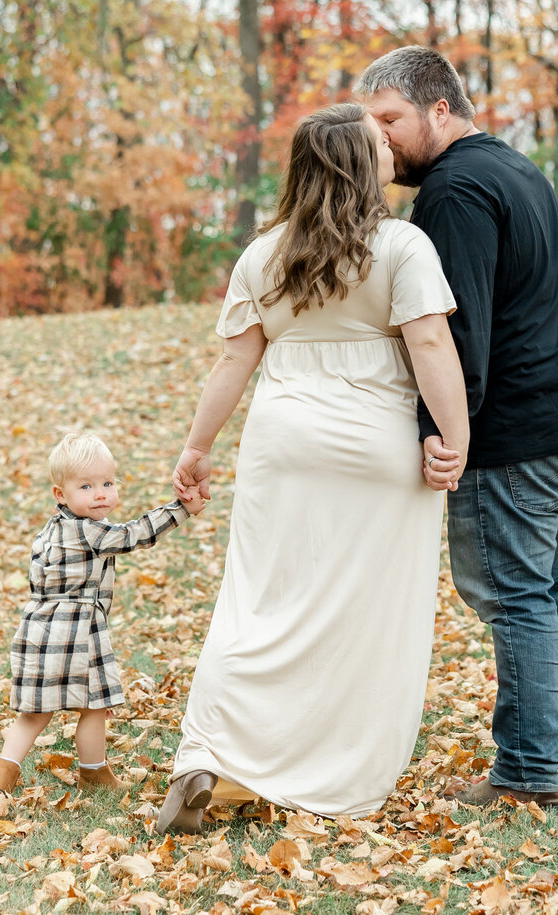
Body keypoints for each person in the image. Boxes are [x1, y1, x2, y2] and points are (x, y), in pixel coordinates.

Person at [159, 102, 469, 832]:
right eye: (377, 142)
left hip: (281, 444)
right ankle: (329, 770)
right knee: (363, 613)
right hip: (374, 444)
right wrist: (454, 435)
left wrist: (196, 448)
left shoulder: (262, 254)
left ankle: (207, 750)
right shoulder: (401, 246)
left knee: (259, 601)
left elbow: (235, 360)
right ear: (363, 167)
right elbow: (429, 347)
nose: (391, 146)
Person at [357, 46, 558, 807]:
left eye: (390, 119)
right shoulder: (512, 167)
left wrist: (445, 431)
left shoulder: (453, 193)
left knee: (515, 595)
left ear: (440, 109)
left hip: (520, 433)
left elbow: (453, 332)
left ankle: (528, 775)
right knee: (552, 585)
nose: (380, 139)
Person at [0, 432, 205, 810]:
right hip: (78, 630)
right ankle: (93, 772)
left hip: (40, 625)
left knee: (35, 711)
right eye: (86, 486)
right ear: (60, 494)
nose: (100, 493)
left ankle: (2, 777)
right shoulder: (88, 531)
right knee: (95, 704)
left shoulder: (50, 530)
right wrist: (180, 509)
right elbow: (133, 536)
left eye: (107, 483)